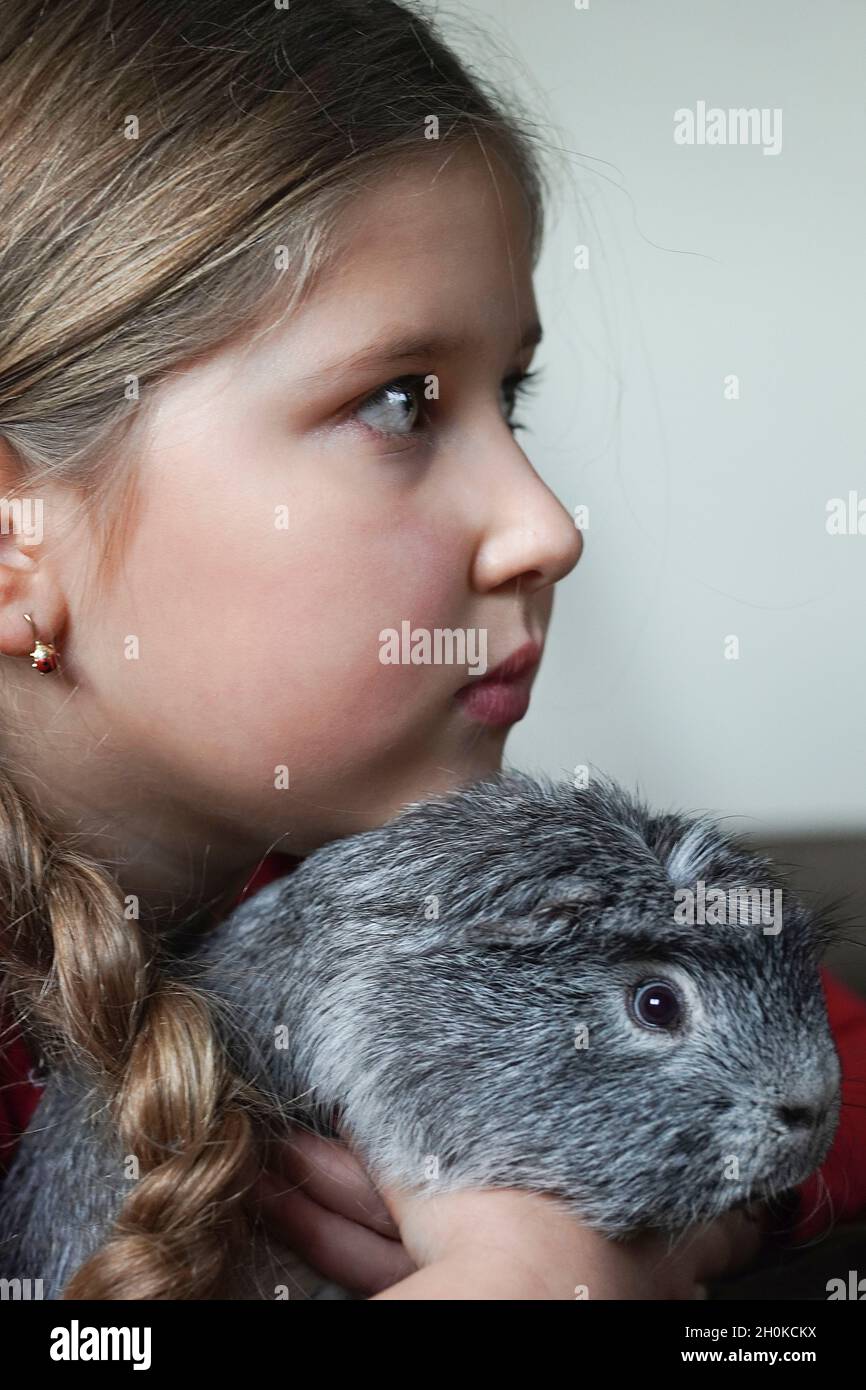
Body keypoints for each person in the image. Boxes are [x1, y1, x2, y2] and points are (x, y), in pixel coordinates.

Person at [0, 0, 862, 1300]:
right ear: (18, 541)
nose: (546, 528)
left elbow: (818, 1058)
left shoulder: (439, 896)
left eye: (507, 396)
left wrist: (663, 1208)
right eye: (399, 401)